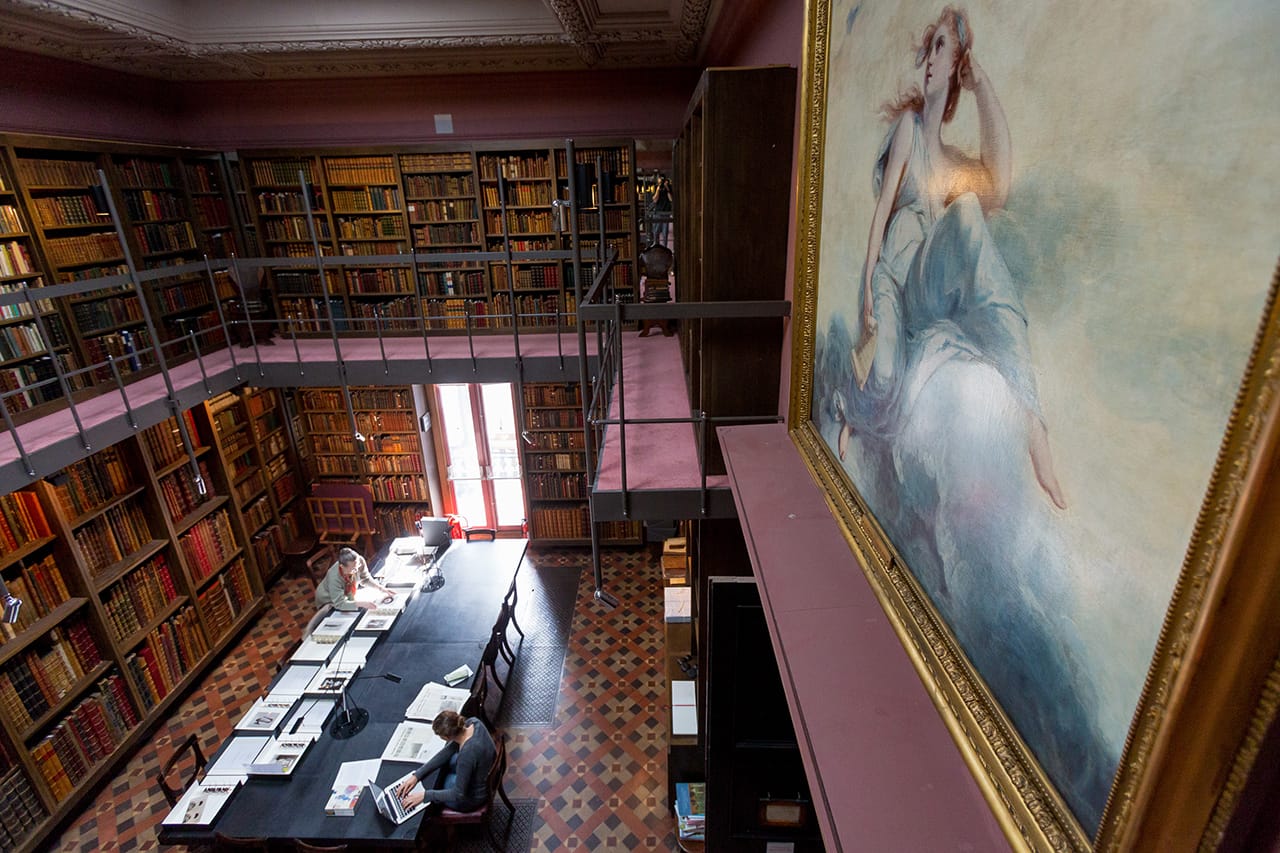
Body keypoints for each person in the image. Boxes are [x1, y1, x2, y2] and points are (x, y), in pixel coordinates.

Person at [836, 5, 1066, 509]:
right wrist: (867, 293)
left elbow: (999, 186)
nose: (932, 58)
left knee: (966, 214)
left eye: (944, 48)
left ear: (958, 65)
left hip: (926, 286)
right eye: (932, 47)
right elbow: (881, 213)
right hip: (893, 282)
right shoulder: (910, 129)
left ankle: (1033, 422)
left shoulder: (957, 164)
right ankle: (852, 408)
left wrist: (982, 86)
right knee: (887, 376)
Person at [394, 710, 496, 812]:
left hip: (474, 797)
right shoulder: (474, 722)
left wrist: (425, 796)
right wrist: (417, 775)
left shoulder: (467, 754)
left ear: (447, 737)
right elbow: (448, 750)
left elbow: (458, 794)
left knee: (441, 784)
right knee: (450, 763)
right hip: (483, 773)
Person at [314, 546, 394, 612]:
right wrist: (361, 604)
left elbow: (365, 579)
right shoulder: (334, 577)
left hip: (348, 595)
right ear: (342, 567)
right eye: (353, 569)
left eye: (357, 566)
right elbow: (340, 603)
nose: (356, 571)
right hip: (328, 601)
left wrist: (381, 588)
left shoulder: (359, 561)